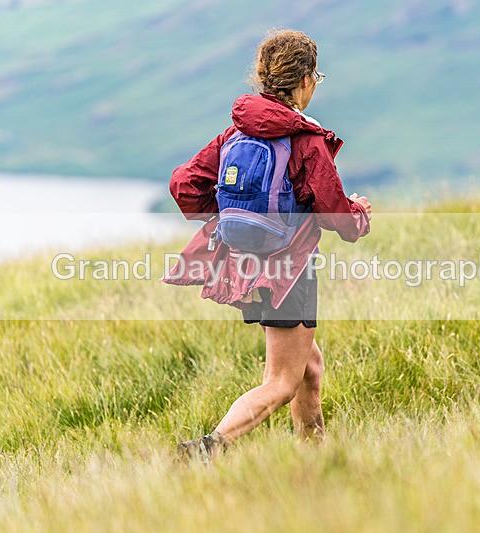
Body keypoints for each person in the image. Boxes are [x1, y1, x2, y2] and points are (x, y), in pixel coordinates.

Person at [164, 29, 372, 463]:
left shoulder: (234, 134)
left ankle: (313, 459)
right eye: (316, 75)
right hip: (289, 272)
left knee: (308, 367)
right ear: (303, 80)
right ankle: (207, 449)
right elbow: (336, 216)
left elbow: (183, 184)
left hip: (245, 264)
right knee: (281, 381)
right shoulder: (305, 140)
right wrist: (359, 214)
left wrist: (231, 219)